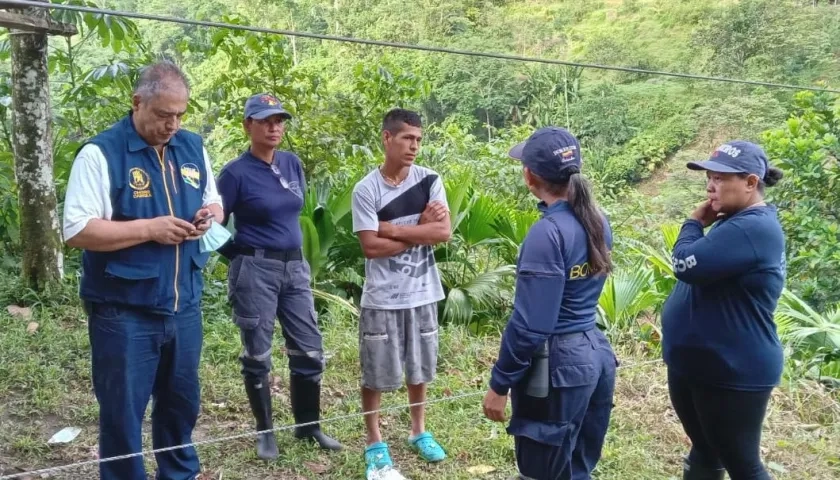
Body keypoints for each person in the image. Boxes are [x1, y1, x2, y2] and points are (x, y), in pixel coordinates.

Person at [61, 60, 223, 480]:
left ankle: (179, 475)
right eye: (163, 115)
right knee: (123, 414)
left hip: (183, 304)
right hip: (123, 310)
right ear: (137, 103)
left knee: (181, 404)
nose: (172, 124)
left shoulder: (192, 147)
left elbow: (215, 200)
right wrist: (149, 228)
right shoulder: (102, 153)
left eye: (180, 115)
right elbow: (78, 229)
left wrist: (209, 216)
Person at [482, 127, 618, 480]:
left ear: (530, 176)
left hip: (557, 366)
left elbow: (530, 325)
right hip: (593, 354)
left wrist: (499, 385)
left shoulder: (547, 233)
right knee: (575, 467)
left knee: (541, 471)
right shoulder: (597, 220)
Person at [215, 93, 342, 461]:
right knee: (257, 353)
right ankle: (265, 432)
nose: (274, 127)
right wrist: (238, 257)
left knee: (309, 347)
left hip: (295, 267)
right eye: (265, 120)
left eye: (280, 120)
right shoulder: (235, 173)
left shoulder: (291, 163)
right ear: (248, 125)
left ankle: (308, 426)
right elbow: (214, 226)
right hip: (256, 269)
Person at [661, 141, 786, 480]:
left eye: (719, 178)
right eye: (709, 178)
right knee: (705, 448)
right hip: (701, 365)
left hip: (732, 371)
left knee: (743, 464)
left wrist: (692, 223)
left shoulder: (753, 227)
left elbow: (687, 265)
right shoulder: (734, 222)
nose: (709, 186)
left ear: (749, 182)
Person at [351, 108, 451, 479]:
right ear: (387, 138)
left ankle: (418, 431)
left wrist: (390, 229)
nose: (414, 146)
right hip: (382, 297)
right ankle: (374, 442)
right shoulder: (366, 189)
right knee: (375, 372)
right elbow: (369, 248)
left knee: (420, 367)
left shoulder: (430, 180)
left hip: (423, 292)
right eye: (407, 138)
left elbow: (442, 234)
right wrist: (417, 229)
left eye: (419, 140)